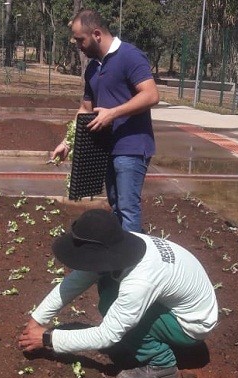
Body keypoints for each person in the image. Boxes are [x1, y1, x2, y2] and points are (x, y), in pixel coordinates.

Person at [18, 209, 218, 378]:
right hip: (182, 306)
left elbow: (108, 335)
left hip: (192, 326)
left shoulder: (140, 281)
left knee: (110, 302)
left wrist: (47, 338)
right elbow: (78, 279)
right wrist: (37, 319)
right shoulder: (127, 243)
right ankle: (155, 340)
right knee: (108, 286)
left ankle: (161, 363)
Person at [50, 9, 160, 233]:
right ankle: (121, 256)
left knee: (128, 208)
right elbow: (85, 108)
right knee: (116, 205)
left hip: (132, 145)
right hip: (107, 147)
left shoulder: (130, 56)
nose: (78, 45)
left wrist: (113, 113)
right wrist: (68, 142)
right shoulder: (92, 68)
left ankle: (133, 263)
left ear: (97, 34)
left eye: (81, 39)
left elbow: (151, 95)